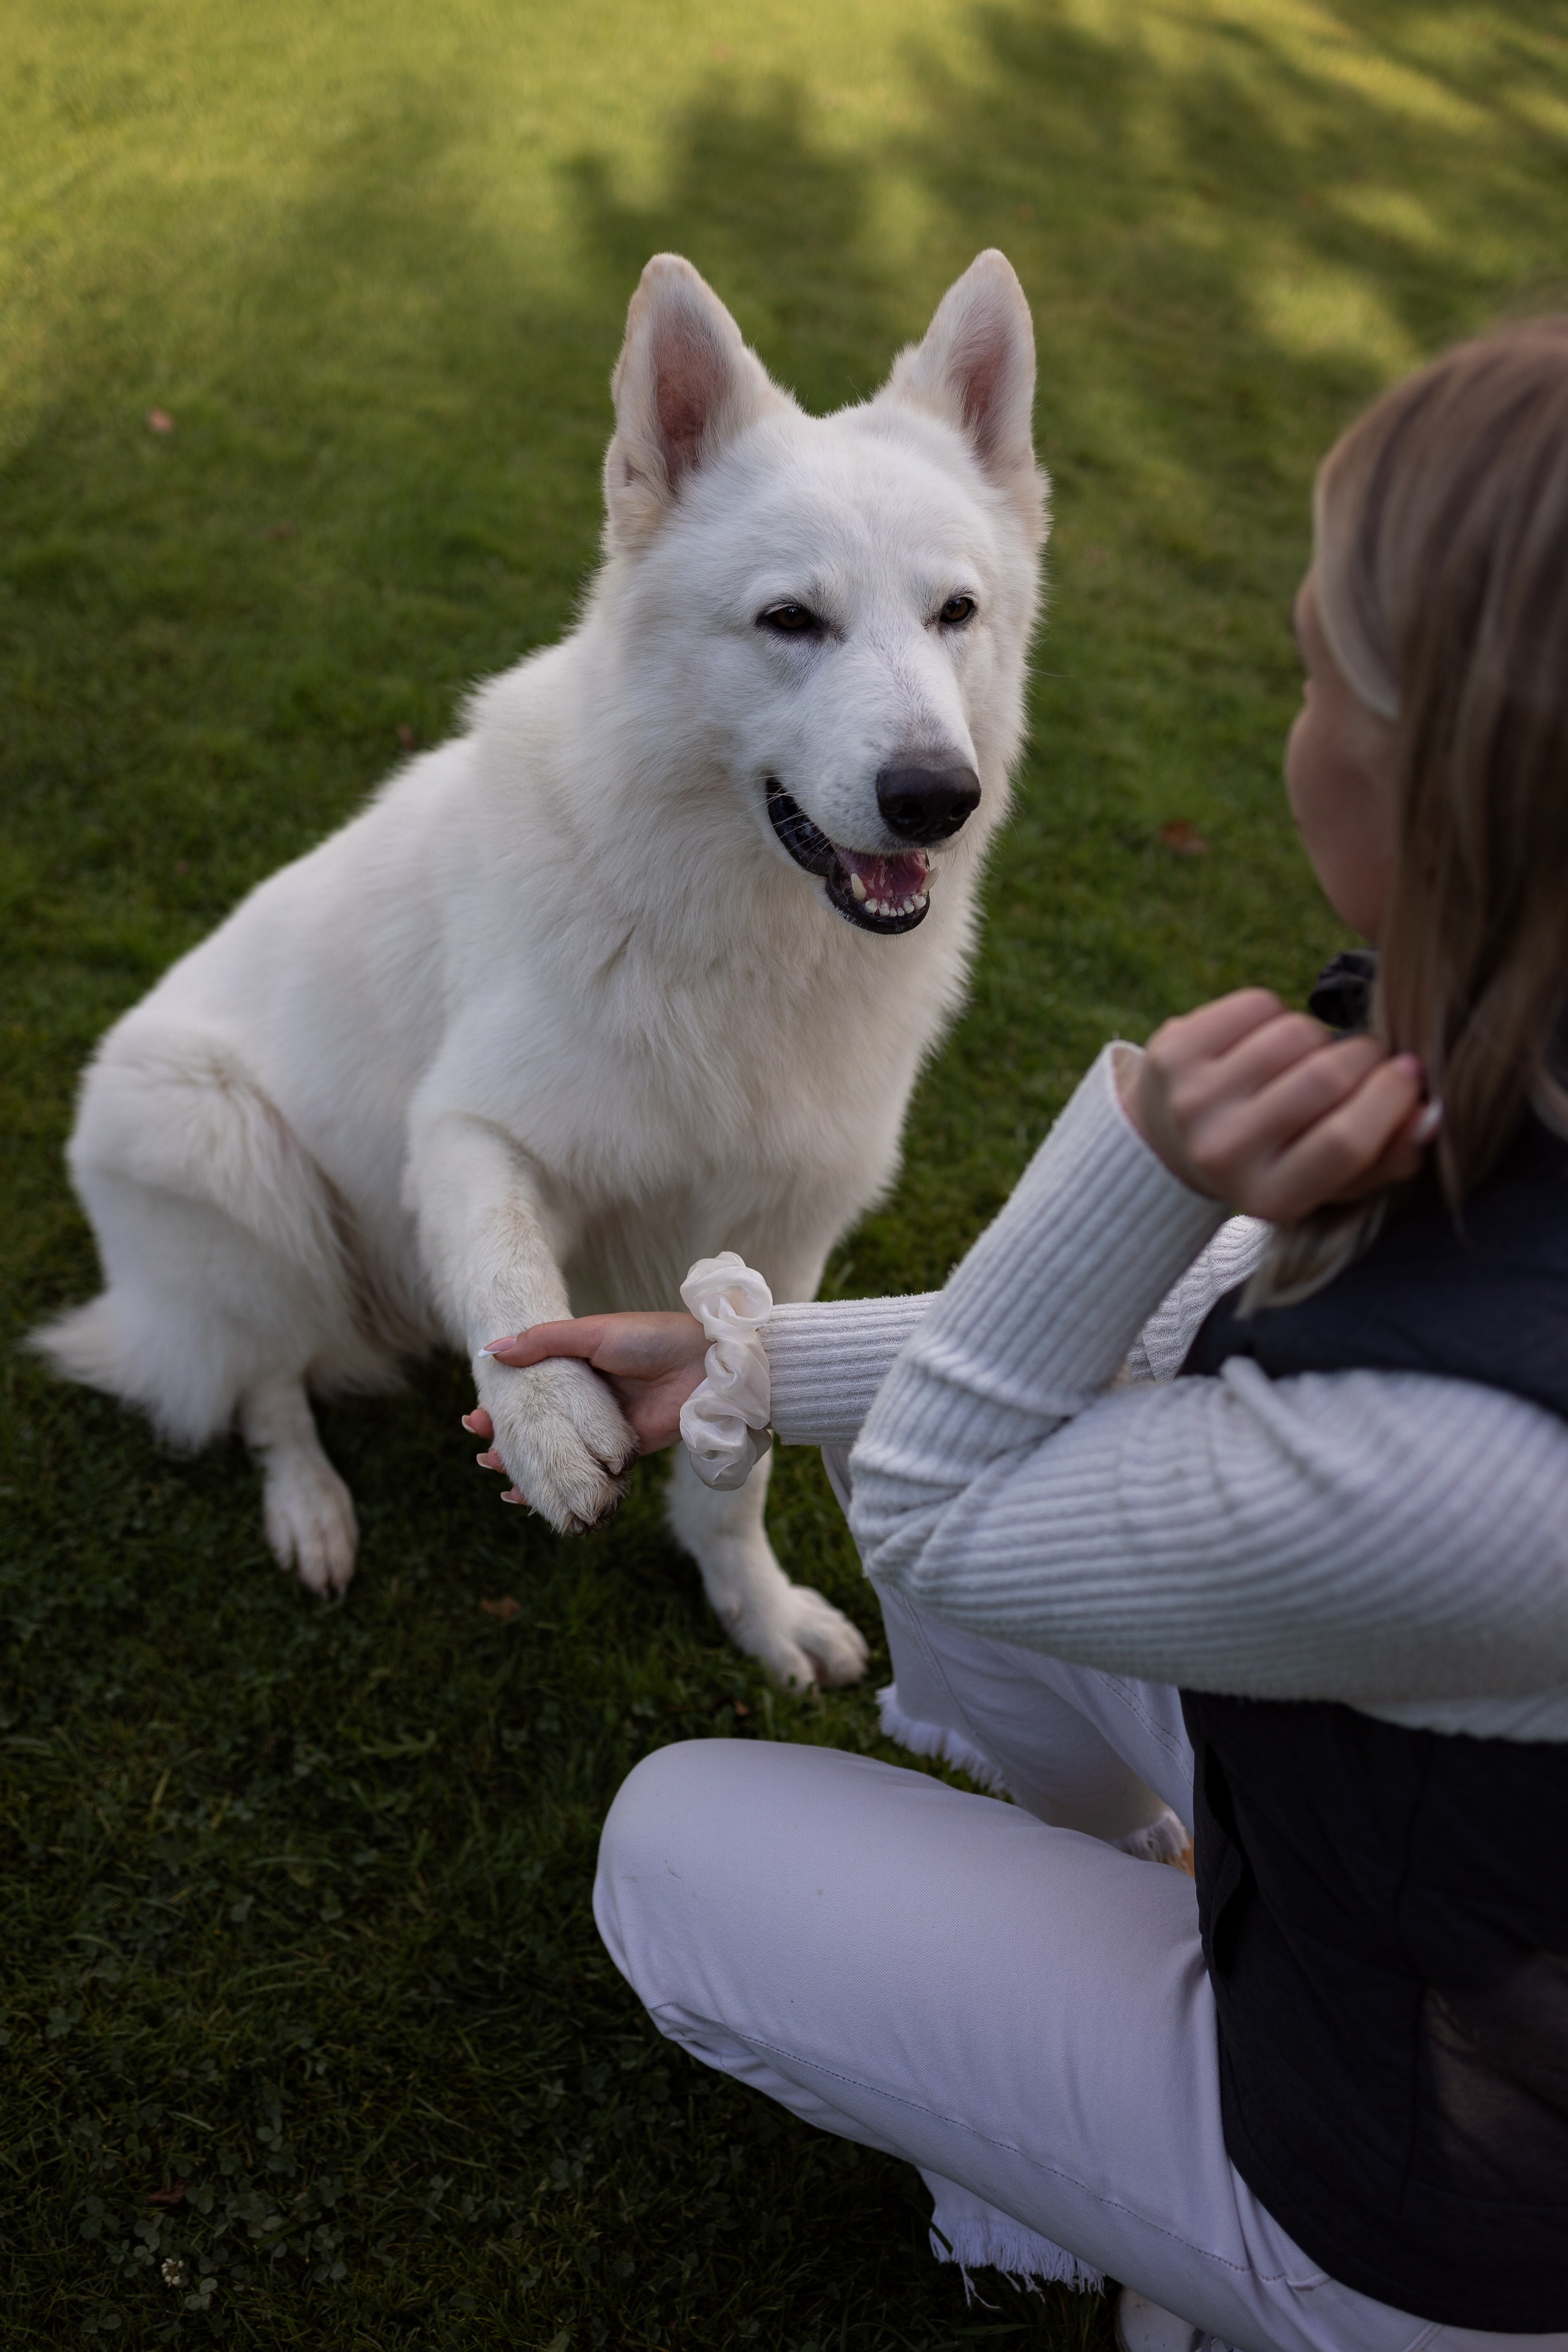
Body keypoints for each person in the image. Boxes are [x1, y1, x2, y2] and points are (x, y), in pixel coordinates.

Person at [463, 319, 1568, 2352]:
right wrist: (756, 1367)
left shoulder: (1495, 1471)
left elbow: (941, 1507)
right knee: (1050, 1527)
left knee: (674, 1846)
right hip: (1431, 1876)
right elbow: (1214, 1345)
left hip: (1430, 2211)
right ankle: (1141, 1905)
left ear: (1442, 774)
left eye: (1315, 671)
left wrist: (1142, 1161)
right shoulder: (1511, 1044)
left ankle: (1190, 2257)